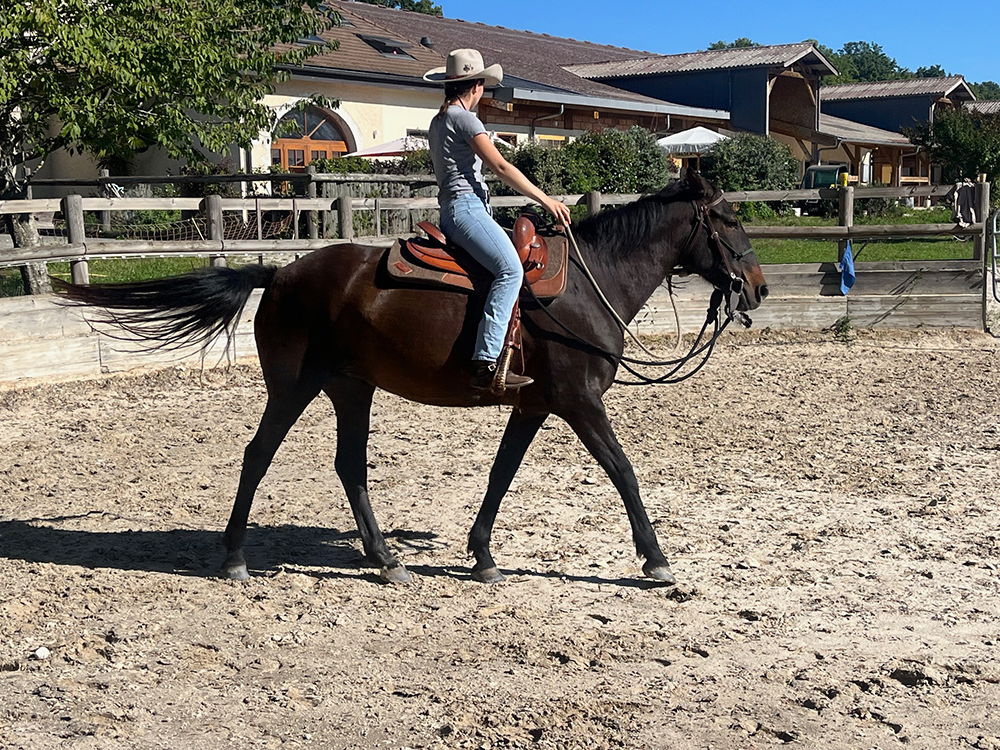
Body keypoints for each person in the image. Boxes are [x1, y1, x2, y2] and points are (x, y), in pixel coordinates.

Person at [423, 49, 572, 391]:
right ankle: (485, 361)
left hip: (453, 210)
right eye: (483, 86)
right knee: (510, 270)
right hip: (467, 209)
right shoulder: (465, 120)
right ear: (476, 86)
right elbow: (501, 166)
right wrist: (546, 199)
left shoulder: (439, 120)